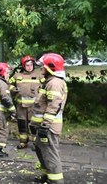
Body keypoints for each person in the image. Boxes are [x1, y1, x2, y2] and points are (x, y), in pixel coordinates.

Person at [31, 53, 68, 184]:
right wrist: (34, 124)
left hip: (49, 127)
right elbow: (41, 105)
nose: (41, 69)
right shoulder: (49, 82)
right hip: (43, 126)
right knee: (42, 150)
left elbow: (53, 106)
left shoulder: (55, 83)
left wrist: (45, 125)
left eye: (43, 67)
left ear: (50, 68)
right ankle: (46, 176)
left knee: (50, 153)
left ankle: (56, 181)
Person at [8, 55, 41, 149]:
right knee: (22, 124)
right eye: (27, 65)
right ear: (23, 66)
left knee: (33, 125)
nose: (29, 67)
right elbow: (9, 83)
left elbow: (45, 85)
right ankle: (23, 142)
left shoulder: (39, 74)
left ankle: (36, 143)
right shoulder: (17, 75)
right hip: (21, 106)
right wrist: (13, 89)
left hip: (34, 106)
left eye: (31, 64)